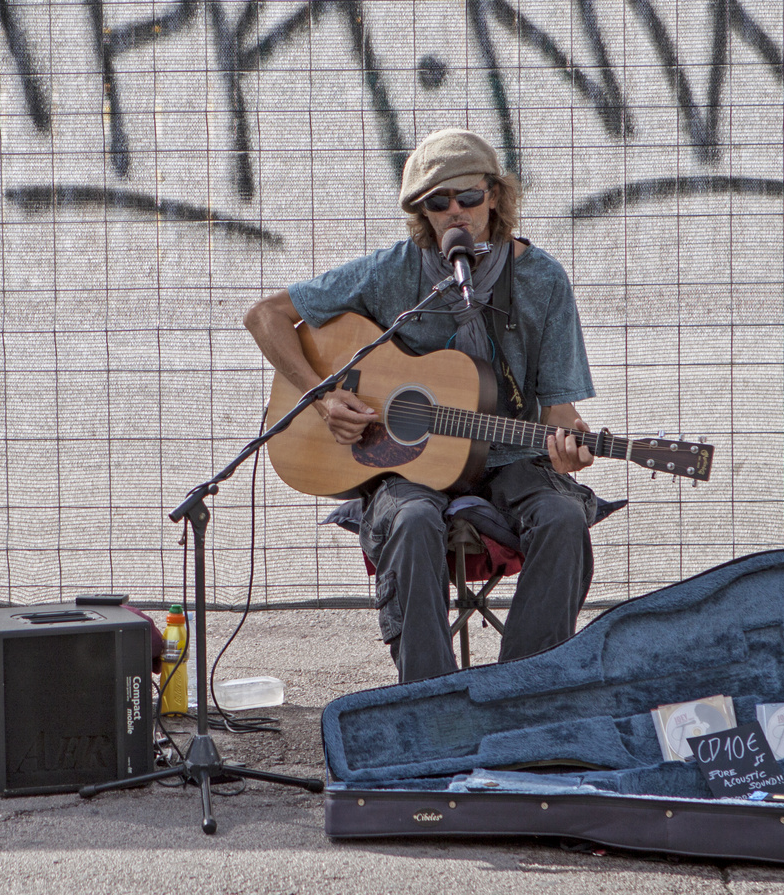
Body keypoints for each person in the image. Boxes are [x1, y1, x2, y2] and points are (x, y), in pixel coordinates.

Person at [244, 128, 602, 683]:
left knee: (561, 515)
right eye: (438, 203)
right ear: (422, 212)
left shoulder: (541, 280)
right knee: (411, 520)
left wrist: (569, 446)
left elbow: (558, 411)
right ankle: (429, 702)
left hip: (511, 460)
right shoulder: (395, 270)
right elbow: (264, 316)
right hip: (411, 466)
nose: (455, 212)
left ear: (497, 196)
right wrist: (321, 398)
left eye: (468, 197)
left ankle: (524, 690)